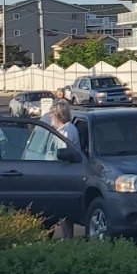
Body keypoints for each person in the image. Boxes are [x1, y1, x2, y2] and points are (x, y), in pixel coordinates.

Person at [49, 99, 80, 239]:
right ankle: (66, 238)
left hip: (67, 173)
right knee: (62, 212)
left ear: (58, 115)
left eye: (52, 114)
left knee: (64, 210)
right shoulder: (61, 130)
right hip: (61, 172)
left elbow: (62, 152)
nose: (50, 117)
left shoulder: (67, 131)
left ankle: (68, 239)